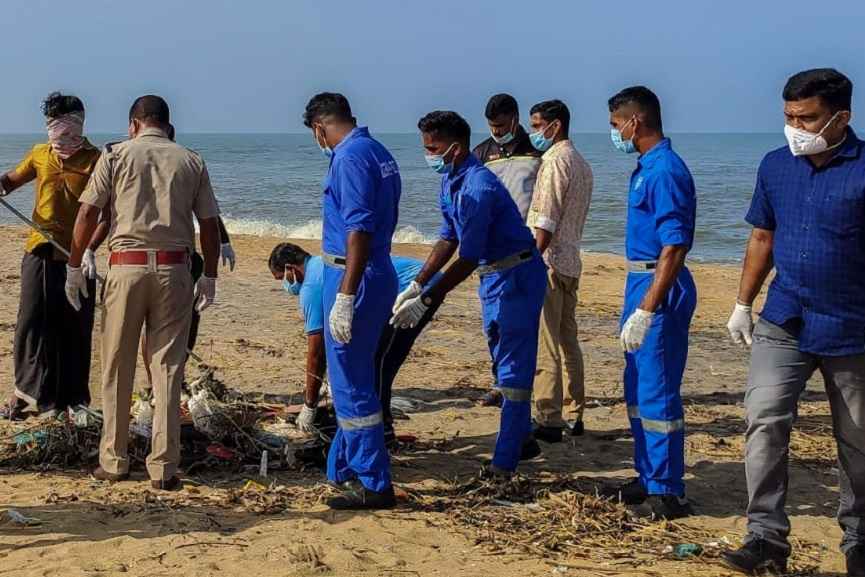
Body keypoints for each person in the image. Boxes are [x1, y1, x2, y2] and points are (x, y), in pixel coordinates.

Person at [720, 69, 865, 577]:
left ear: (841, 117)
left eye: (807, 118)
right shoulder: (775, 166)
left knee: (858, 440)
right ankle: (765, 538)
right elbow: (762, 237)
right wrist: (743, 303)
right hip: (785, 318)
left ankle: (859, 540)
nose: (795, 127)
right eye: (788, 117)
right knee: (763, 419)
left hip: (853, 327)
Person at [65, 95, 221, 491]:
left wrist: (75, 263)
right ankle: (164, 468)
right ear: (166, 125)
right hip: (174, 269)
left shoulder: (115, 156)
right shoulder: (191, 159)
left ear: (134, 124)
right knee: (167, 367)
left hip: (127, 267)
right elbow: (209, 223)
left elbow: (89, 212)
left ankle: (114, 461)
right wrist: (211, 276)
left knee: (117, 365)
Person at [392, 111, 546, 478]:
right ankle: (523, 437)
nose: (428, 155)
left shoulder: (478, 187)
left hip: (516, 276)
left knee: (512, 370)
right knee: (498, 354)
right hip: (492, 278)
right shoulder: (451, 181)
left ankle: (504, 464)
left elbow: (468, 254)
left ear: (455, 148)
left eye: (433, 148)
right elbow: (448, 237)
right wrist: (417, 283)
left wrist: (428, 299)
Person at [303, 92, 402, 510]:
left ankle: (373, 482)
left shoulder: (348, 157)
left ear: (319, 127)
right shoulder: (376, 150)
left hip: (352, 273)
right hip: (372, 270)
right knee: (354, 375)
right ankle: (342, 466)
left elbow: (358, 229)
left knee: (350, 381)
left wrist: (345, 293)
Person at [602, 87, 697, 520]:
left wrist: (648, 308)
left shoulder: (664, 171)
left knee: (658, 392)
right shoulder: (645, 168)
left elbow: (674, 246)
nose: (614, 133)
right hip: (638, 280)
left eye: (614, 125)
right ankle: (647, 476)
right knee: (638, 388)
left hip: (660, 285)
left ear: (634, 122)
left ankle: (667, 491)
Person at [267, 243, 442, 446]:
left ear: (290, 269)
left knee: (380, 362)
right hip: (415, 281)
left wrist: (309, 405)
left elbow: (316, 352)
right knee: (379, 360)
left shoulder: (311, 286)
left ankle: (382, 431)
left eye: (281, 279)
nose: (286, 286)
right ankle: (380, 426)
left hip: (413, 286)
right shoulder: (320, 265)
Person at [0, 92, 100, 419]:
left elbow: (108, 214)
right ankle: (26, 395)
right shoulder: (40, 155)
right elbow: (10, 182)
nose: (63, 135)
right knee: (32, 322)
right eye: (56, 128)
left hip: (77, 256)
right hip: (40, 250)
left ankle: (73, 400)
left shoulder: (95, 160)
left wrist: (89, 250)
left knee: (74, 326)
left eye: (69, 126)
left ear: (79, 124)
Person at [526, 99, 593, 443]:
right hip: (571, 262)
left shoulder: (554, 162)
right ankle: (576, 409)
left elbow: (546, 219)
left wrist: (530, 258)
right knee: (568, 339)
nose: (534, 132)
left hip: (550, 261)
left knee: (547, 342)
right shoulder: (581, 163)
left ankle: (549, 416)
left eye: (537, 125)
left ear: (555, 125)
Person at [472, 94, 543, 408]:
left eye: (501, 126)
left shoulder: (537, 151)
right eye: (492, 127)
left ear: (515, 119)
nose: (497, 132)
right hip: (491, 251)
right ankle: (499, 382)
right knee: (493, 325)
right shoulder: (481, 154)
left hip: (526, 248)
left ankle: (519, 386)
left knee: (520, 326)